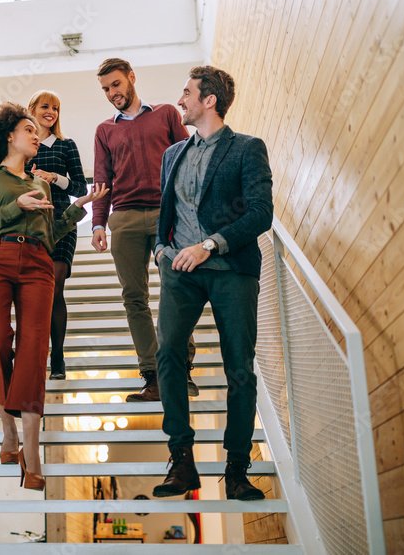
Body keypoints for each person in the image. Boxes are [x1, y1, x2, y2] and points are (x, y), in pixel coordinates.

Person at [0, 102, 107, 492]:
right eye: (28, 129)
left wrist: (76, 210)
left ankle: (32, 451)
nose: (35, 135)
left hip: (38, 263)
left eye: (36, 130)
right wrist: (16, 206)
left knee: (34, 350)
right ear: (8, 136)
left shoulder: (41, 184)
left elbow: (50, 233)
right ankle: (8, 433)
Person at [150, 66, 273, 501]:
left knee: (238, 365)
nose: (179, 100)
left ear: (209, 101)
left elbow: (260, 213)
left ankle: (237, 468)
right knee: (167, 354)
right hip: (179, 273)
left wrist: (210, 245)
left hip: (231, 270)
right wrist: (161, 252)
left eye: (187, 93)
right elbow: (162, 215)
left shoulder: (246, 149)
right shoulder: (172, 155)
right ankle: (181, 460)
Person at [91, 58, 196, 401]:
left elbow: (188, 161)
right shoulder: (105, 130)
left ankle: (179, 371)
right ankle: (152, 376)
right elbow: (103, 180)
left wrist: (191, 209)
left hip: (169, 214)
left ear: (132, 78)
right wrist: (97, 223)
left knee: (177, 290)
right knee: (134, 298)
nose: (112, 93)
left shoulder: (165, 113)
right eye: (106, 89)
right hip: (124, 218)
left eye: (116, 85)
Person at [24, 90, 88, 380]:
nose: (51, 112)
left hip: (63, 221)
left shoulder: (66, 145)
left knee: (55, 287)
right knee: (36, 293)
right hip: (31, 224)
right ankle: (37, 352)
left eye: (56, 108)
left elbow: (79, 188)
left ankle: (58, 356)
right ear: (33, 110)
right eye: (45, 106)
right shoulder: (25, 145)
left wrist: (55, 178)